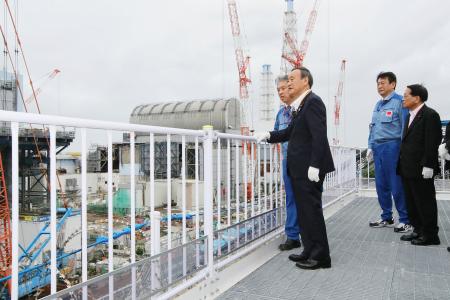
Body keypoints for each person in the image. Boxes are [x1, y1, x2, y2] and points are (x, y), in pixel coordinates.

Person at [255, 67, 335, 270]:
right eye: (287, 79)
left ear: (305, 81)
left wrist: (315, 165)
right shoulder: (301, 106)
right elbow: (291, 132)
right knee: (304, 211)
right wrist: (270, 136)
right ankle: (309, 250)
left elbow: (319, 136)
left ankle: (321, 257)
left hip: (309, 168)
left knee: (312, 212)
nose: (288, 83)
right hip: (299, 169)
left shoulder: (313, 102)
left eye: (292, 79)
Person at [397, 84, 442, 246]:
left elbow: (432, 142)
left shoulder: (430, 115)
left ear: (416, 98)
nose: (403, 98)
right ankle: (418, 229)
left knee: (425, 201)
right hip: (407, 167)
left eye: (406, 95)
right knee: (411, 201)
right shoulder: (409, 116)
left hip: (422, 168)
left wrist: (429, 165)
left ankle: (430, 235)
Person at [367, 72, 411, 232]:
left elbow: (405, 128)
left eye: (383, 83)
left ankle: (406, 219)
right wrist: (370, 146)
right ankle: (387, 216)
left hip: (393, 147)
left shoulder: (400, 102)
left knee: (396, 184)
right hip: (378, 148)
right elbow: (372, 127)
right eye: (378, 83)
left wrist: (403, 150)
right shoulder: (378, 105)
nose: (380, 86)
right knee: (381, 185)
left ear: (393, 84)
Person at [273, 75, 301, 251]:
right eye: (278, 90)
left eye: (284, 88)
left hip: (302, 159)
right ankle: (292, 236)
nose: (281, 92)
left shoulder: (303, 108)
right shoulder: (281, 113)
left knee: (304, 198)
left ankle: (305, 232)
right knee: (291, 198)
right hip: (287, 160)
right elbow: (276, 134)